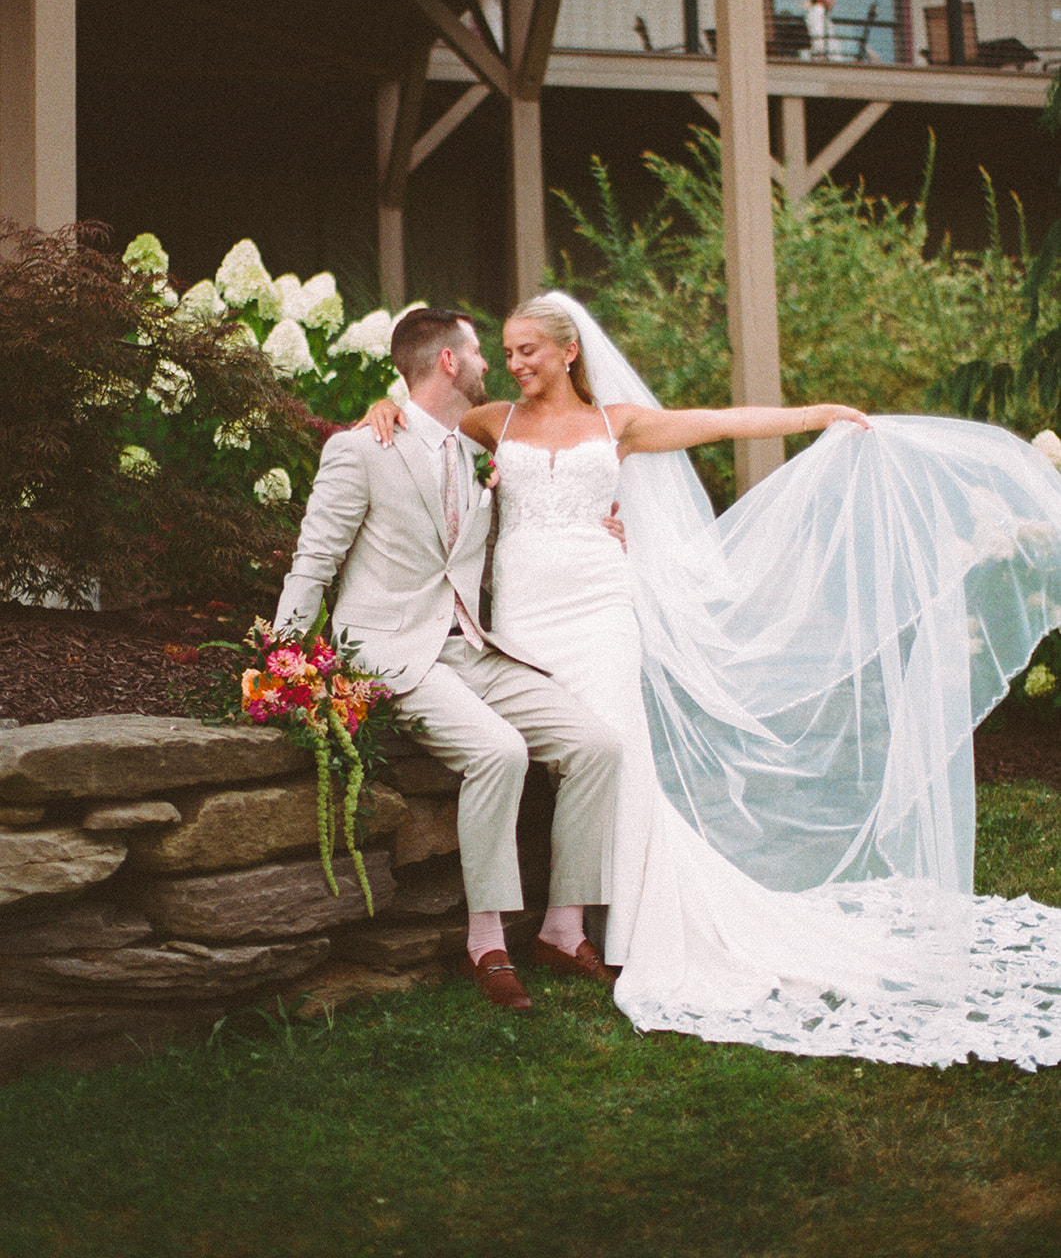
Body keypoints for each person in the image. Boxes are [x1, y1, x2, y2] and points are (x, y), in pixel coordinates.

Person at [368, 292, 1061, 1068]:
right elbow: (422, 415)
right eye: (509, 349)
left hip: (599, 609)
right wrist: (379, 407)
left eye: (529, 349)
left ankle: (592, 925)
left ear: (568, 352)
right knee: (567, 754)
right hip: (522, 612)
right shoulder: (493, 420)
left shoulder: (618, 424)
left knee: (616, 752)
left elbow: (717, 420)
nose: (517, 363)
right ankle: (560, 926)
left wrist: (812, 415)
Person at [275, 307, 624, 1012]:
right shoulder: (362, 447)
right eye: (479, 354)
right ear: (446, 363)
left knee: (598, 745)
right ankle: (485, 942)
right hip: (391, 653)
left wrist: (601, 530)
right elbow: (315, 558)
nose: (491, 366)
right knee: (498, 752)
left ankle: (563, 926)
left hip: (470, 644)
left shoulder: (472, 451)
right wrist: (281, 664)